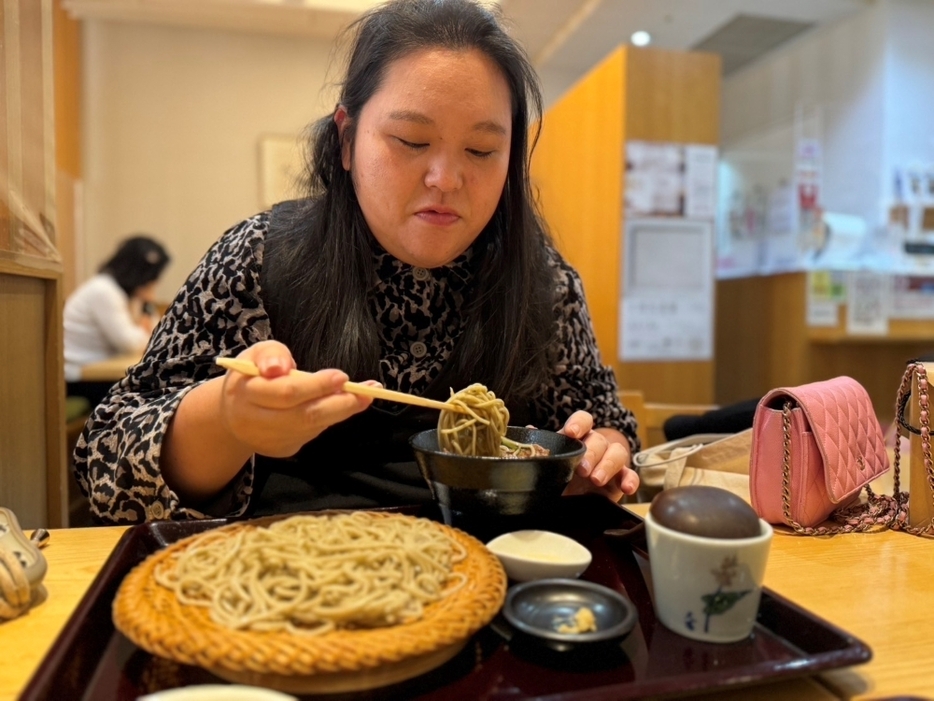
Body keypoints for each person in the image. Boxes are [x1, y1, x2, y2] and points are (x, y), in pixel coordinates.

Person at [75, 0, 641, 525]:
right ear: (347, 139)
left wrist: (601, 453)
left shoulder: (544, 282)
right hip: (289, 586)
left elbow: (601, 422)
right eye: (411, 141)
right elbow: (106, 464)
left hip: (492, 581)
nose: (445, 179)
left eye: (481, 151)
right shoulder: (260, 257)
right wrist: (226, 420)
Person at [64, 235, 170, 407]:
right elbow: (131, 343)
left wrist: (146, 303)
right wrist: (145, 329)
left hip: (99, 372)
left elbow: (155, 336)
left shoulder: (123, 294)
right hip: (78, 377)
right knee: (153, 394)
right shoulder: (104, 291)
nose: (153, 281)